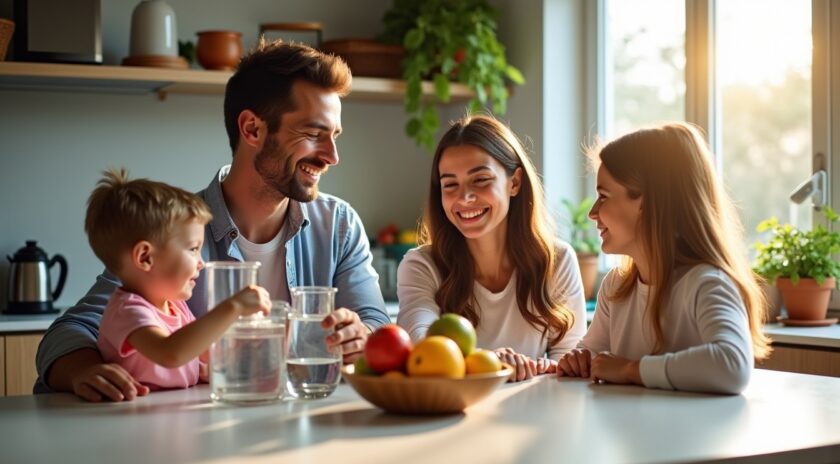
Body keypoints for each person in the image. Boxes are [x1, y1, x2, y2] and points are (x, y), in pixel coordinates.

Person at [35, 39, 390, 401]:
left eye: (334, 136)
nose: (332, 156)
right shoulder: (168, 231)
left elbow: (377, 324)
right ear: (252, 129)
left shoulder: (339, 226)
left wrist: (361, 337)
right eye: (314, 134)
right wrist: (84, 370)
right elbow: (70, 331)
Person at [556, 122, 771, 394]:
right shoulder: (615, 287)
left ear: (647, 203)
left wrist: (630, 370)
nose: (592, 213)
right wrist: (578, 360)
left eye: (603, 196)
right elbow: (592, 353)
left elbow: (732, 366)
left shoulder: (707, 283)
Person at [397, 114, 587, 382]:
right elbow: (421, 343)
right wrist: (488, 363)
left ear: (515, 183)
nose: (465, 197)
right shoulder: (421, 265)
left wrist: (548, 367)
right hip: (456, 405)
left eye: (481, 180)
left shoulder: (558, 260)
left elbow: (570, 361)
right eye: (450, 184)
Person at [87, 169, 272, 391]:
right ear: (145, 257)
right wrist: (233, 306)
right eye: (193, 249)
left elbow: (201, 351)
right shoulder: (127, 311)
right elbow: (170, 353)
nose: (201, 262)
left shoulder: (175, 306)